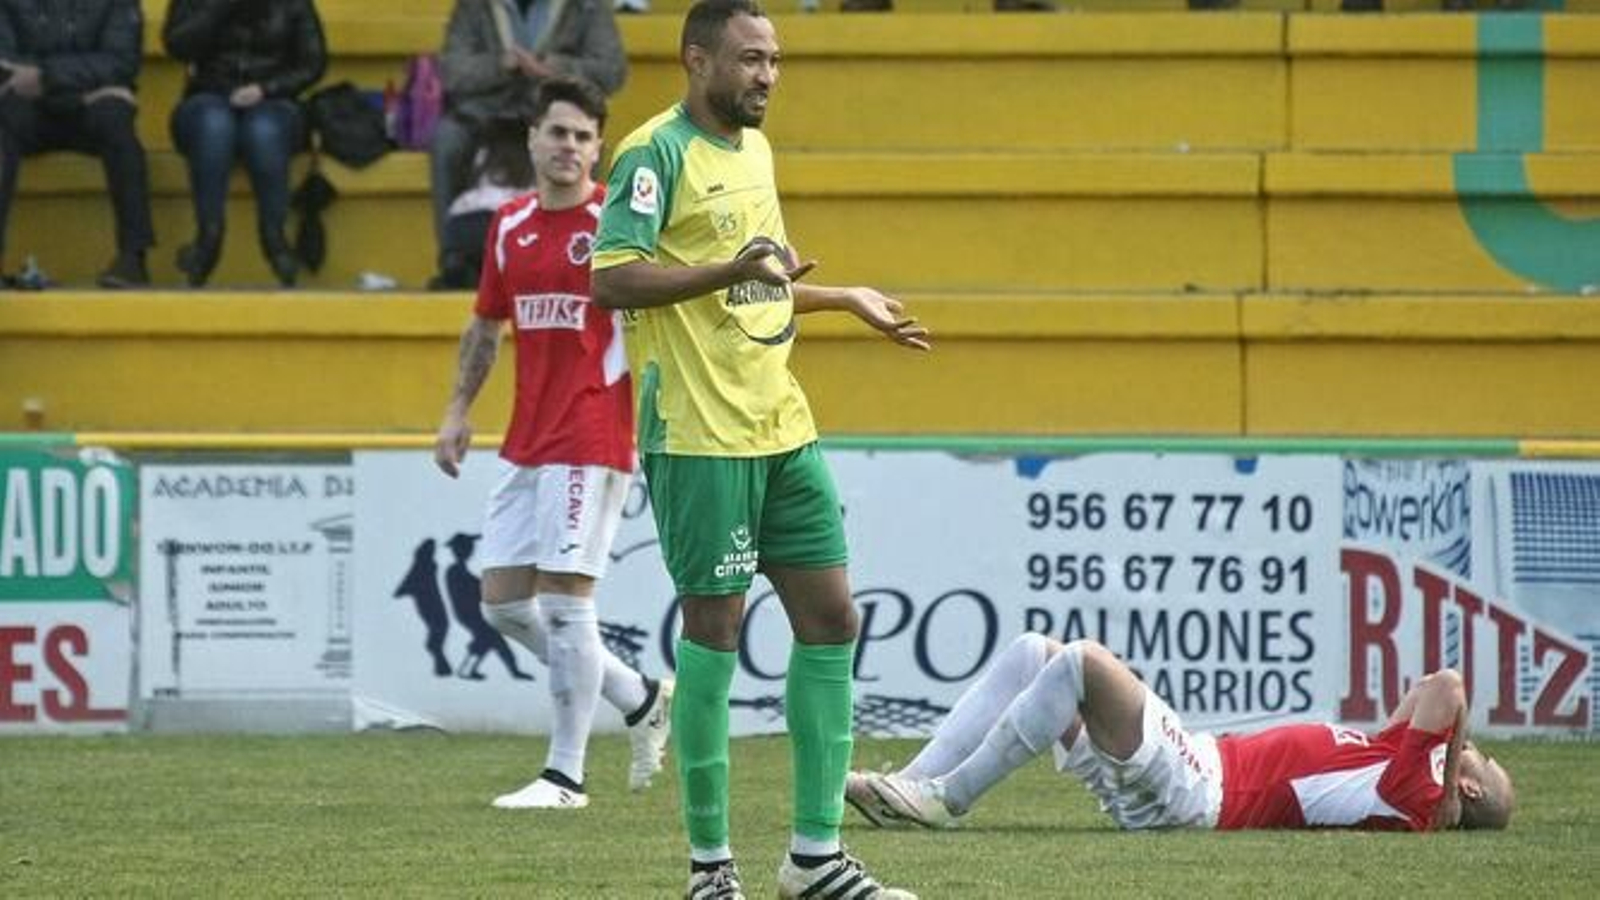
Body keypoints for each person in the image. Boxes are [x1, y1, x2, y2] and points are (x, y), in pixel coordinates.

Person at [590, 3, 930, 897]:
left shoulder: (757, 152)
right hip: (699, 438)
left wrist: (846, 294)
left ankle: (814, 860)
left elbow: (759, 285)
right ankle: (710, 870)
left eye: (775, 59)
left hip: (782, 424)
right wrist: (728, 270)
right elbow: (611, 278)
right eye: (750, 59)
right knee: (716, 633)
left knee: (833, 620)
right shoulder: (650, 154)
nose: (768, 75)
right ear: (696, 60)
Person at [434, 75, 673, 810]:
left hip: (594, 431)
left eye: (582, 135)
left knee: (568, 601)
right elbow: (486, 325)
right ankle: (637, 695)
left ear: (600, 148)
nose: (568, 146)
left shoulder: (617, 225)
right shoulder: (509, 226)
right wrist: (457, 409)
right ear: (532, 139)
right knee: (504, 605)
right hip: (526, 439)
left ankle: (564, 777)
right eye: (556, 132)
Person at [848, 634, 1515, 835]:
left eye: (1481, 760)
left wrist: (1450, 775)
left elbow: (1449, 686)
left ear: (1462, 784)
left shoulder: (1416, 796)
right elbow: (1430, 691)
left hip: (1203, 793)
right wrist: (1453, 758)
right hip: (1197, 770)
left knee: (1084, 662)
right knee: (1033, 654)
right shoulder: (1394, 764)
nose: (1471, 742)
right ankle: (910, 788)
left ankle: (949, 799)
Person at [431, 0, 626, 288]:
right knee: (447, 139)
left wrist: (554, 67)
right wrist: (501, 63)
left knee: (586, 143)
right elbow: (453, 71)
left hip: (557, 107)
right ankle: (454, 258)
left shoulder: (588, 6)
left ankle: (581, 256)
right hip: (487, 111)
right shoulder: (474, 6)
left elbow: (611, 72)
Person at [162, 0, 327, 288]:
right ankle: (208, 240)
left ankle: (274, 240)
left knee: (262, 130)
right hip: (208, 96)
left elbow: (313, 62)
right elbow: (177, 45)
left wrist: (266, 89)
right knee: (215, 124)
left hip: (274, 100)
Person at [0, 0, 155, 288]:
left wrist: (45, 77)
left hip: (89, 107)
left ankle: (132, 260)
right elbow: (6, 65)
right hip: (38, 105)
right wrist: (74, 94)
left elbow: (120, 62)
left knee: (118, 125)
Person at [432, 114, 537, 290]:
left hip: (463, 221)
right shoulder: (535, 159)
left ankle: (459, 268)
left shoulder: (484, 154)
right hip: (511, 226)